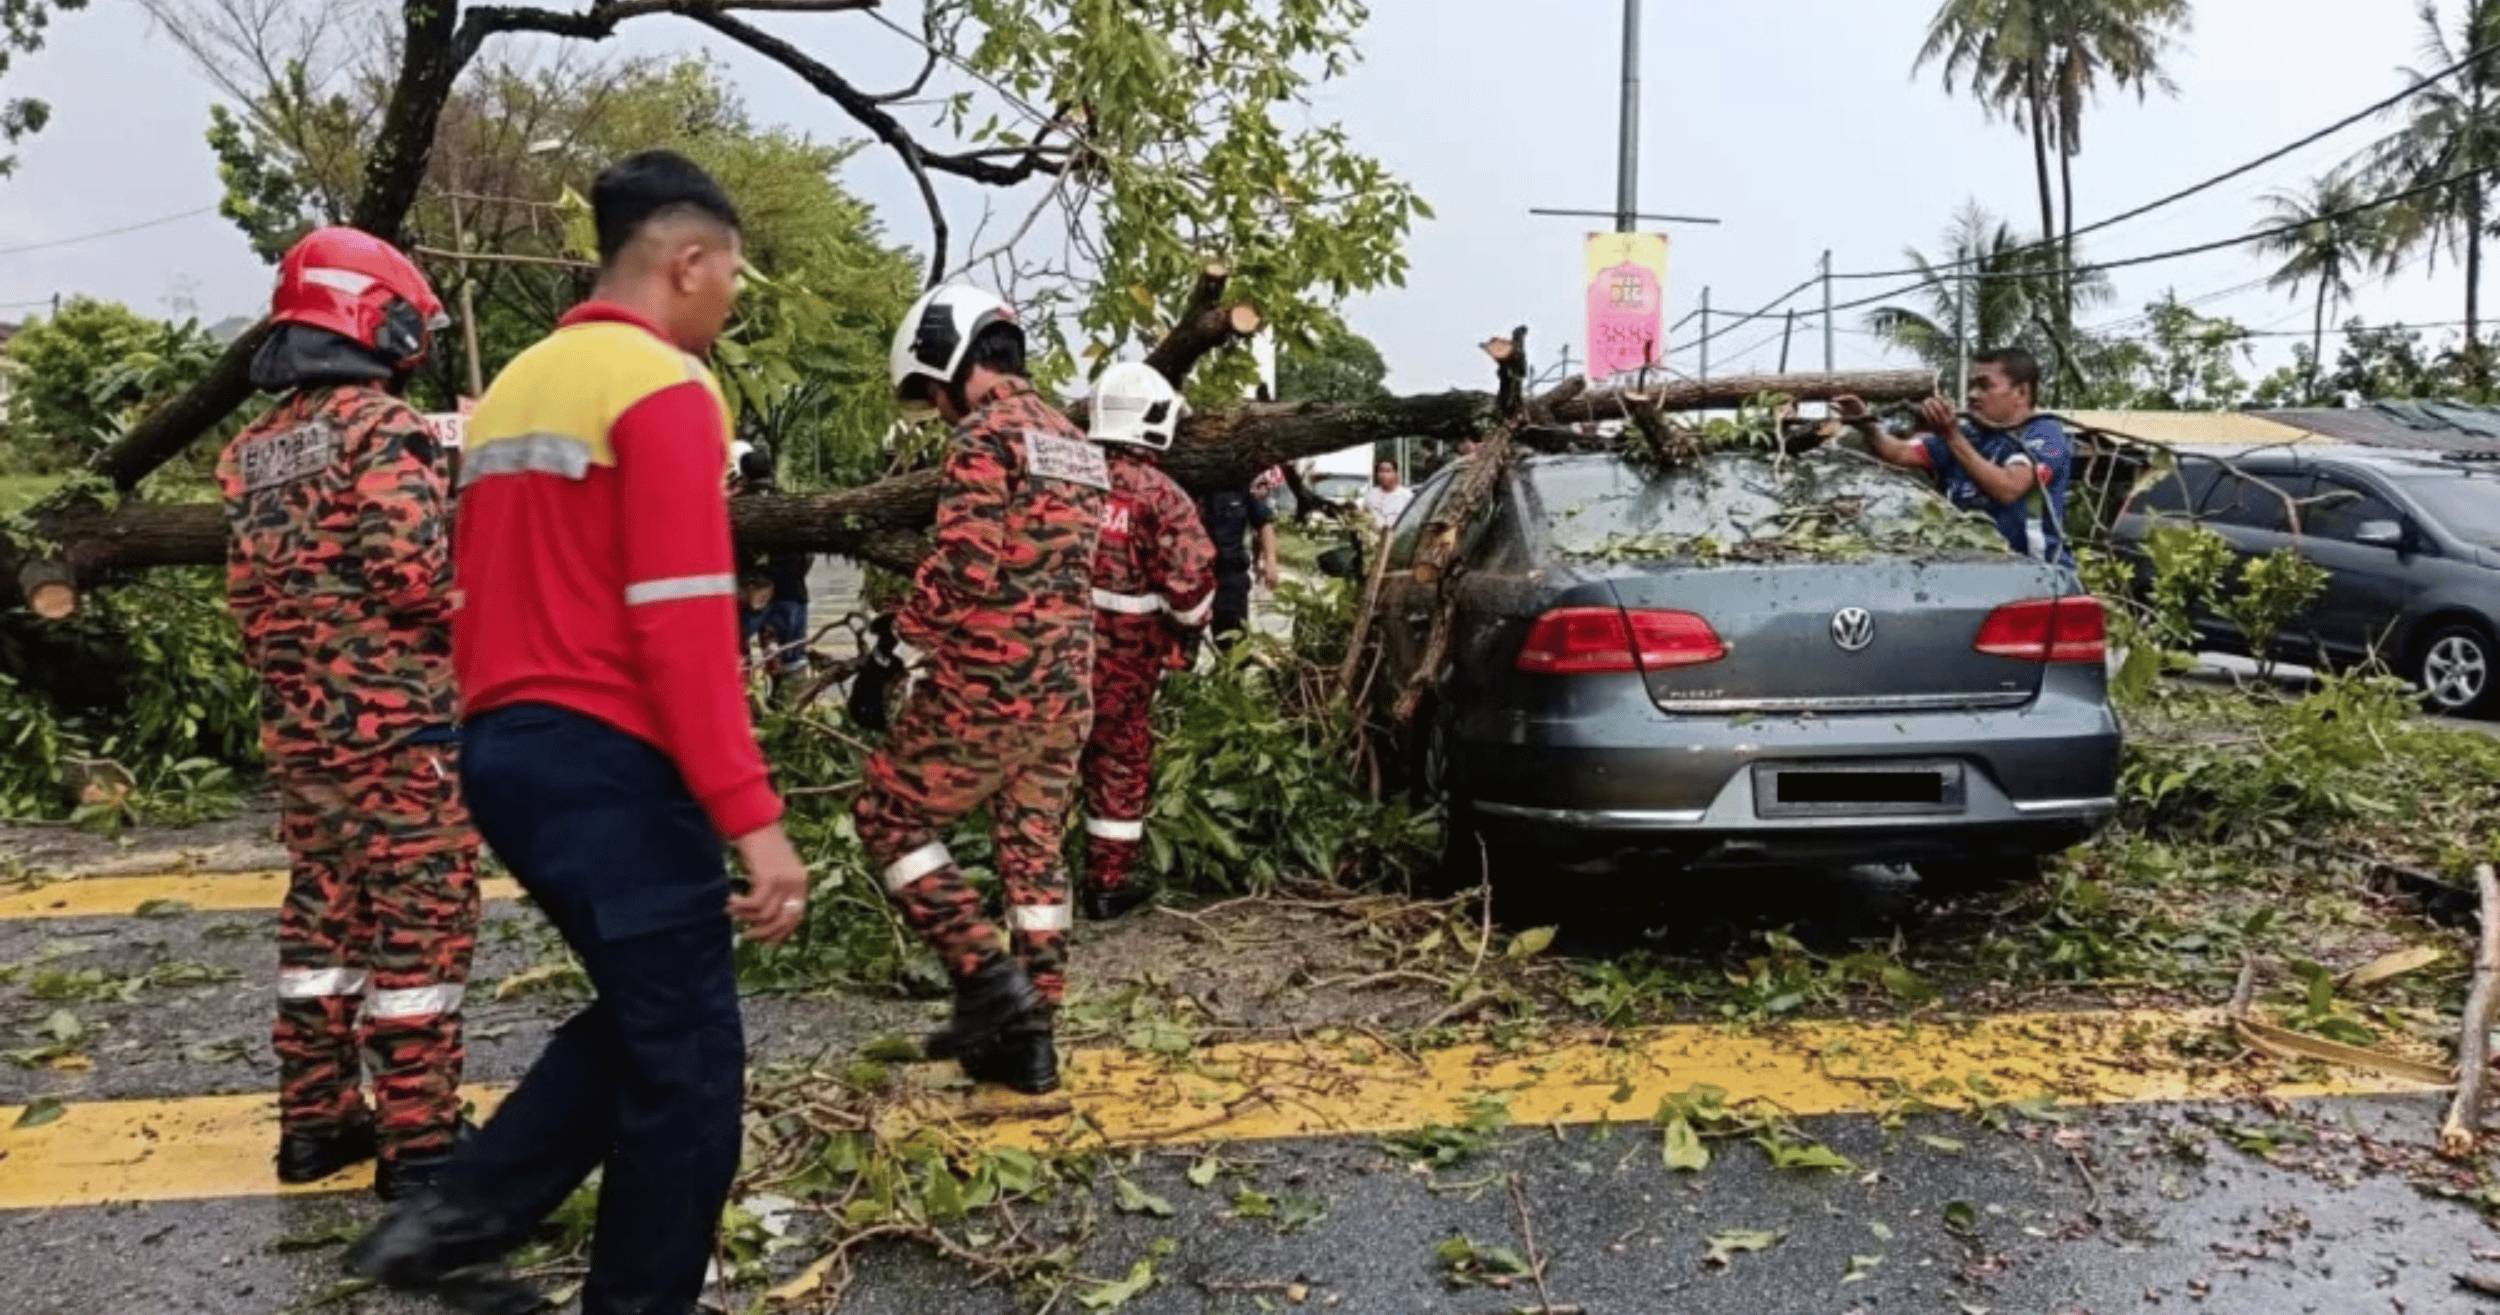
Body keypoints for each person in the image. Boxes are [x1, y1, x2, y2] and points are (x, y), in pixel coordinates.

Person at [348, 150, 809, 1315]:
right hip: (610, 758)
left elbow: (475, 589)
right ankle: (488, 1236)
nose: (732, 299)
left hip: (505, 750)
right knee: (690, 1064)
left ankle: (457, 1218)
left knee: (652, 1018)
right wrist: (753, 818)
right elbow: (682, 622)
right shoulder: (661, 386)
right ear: (686, 261)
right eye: (731, 274)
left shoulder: (518, 385)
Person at [216, 226, 479, 1204]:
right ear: (373, 316)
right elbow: (413, 577)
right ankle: (422, 1144)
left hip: (301, 730)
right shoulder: (382, 428)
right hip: (401, 732)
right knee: (420, 924)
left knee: (323, 919)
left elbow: (249, 598)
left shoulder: (253, 451)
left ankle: (316, 1122)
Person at [844, 281, 1104, 1097]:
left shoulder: (984, 437)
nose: (938, 410)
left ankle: (985, 975)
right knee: (1034, 852)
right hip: (1067, 686)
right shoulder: (1076, 442)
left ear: (950, 359)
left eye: (932, 392)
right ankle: (1032, 1038)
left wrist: (892, 652)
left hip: (990, 684)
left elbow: (964, 565)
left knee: (888, 814)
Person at [1077, 362, 1217, 923]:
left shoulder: (1063, 480)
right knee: (1119, 760)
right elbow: (1192, 589)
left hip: (1050, 656)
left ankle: (1030, 881)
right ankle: (1106, 885)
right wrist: (1188, 634)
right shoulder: (1162, 497)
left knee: (1046, 762)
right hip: (1125, 662)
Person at [1839, 347, 2077, 570]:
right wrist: (1866, 423)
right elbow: (1900, 453)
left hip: (2038, 574)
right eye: (1972, 386)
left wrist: (1952, 437)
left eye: (1984, 386)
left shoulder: (2045, 433)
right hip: (1975, 572)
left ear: (2021, 393)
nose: (1972, 395)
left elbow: (2008, 488)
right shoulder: (1970, 435)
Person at [729, 443, 811, 686]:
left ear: (744, 475)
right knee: (792, 663)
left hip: (752, 596)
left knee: (738, 657)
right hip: (791, 591)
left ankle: (748, 702)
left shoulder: (736, 506)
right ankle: (789, 703)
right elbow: (807, 552)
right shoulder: (790, 503)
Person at [1196, 475, 1278, 648]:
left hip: (1230, 576)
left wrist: (1270, 561)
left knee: (1233, 644)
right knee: (1182, 648)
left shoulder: (1241, 489)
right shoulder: (1190, 487)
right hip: (1194, 576)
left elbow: (1264, 523)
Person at [1360, 458, 1414, 533]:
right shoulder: (1370, 496)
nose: (1384, 475)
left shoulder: (1407, 496)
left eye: (1388, 471)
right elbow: (1364, 520)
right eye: (1381, 471)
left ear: (1395, 473)